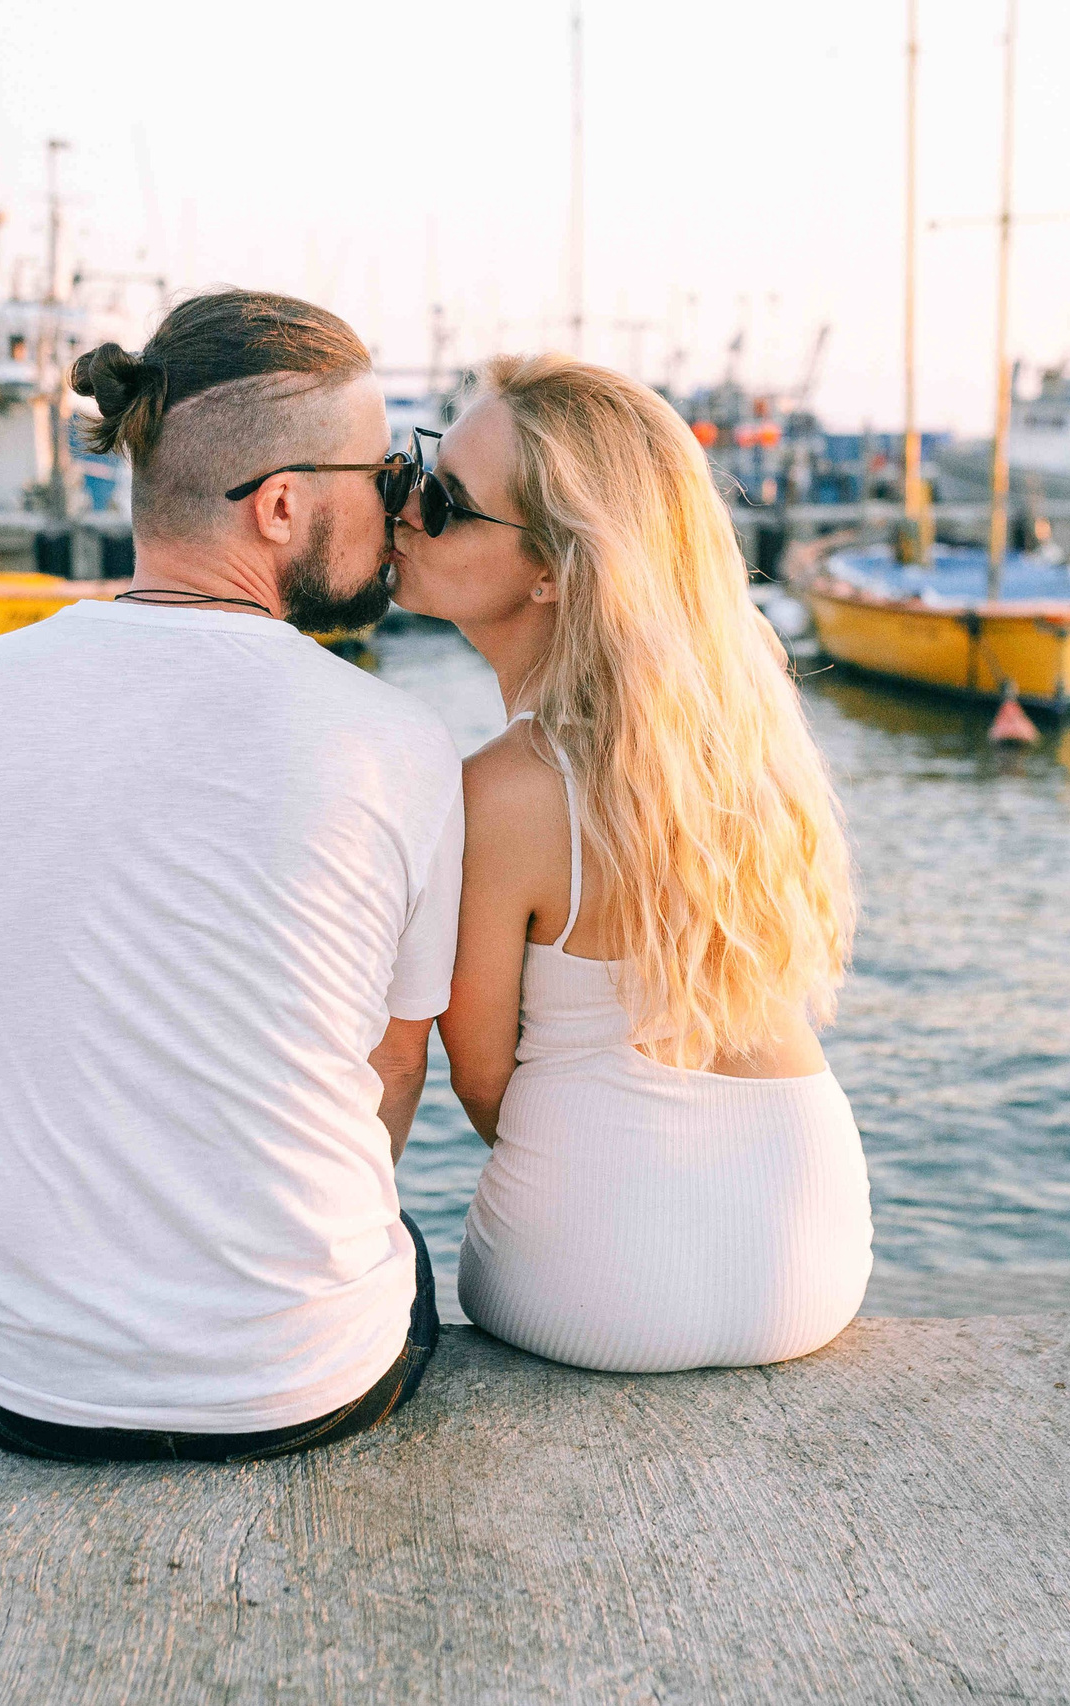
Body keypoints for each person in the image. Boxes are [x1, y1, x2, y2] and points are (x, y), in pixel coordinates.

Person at [0, 289, 458, 1463]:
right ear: (284, 504)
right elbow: (391, 1070)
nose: (402, 502)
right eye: (384, 471)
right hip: (299, 1379)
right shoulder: (395, 742)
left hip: (10, 1377)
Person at [390, 354, 869, 1374]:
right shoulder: (744, 736)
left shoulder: (499, 791)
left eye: (445, 501)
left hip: (588, 1287)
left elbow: (480, 1077)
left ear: (554, 568)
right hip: (814, 1260)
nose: (406, 512)